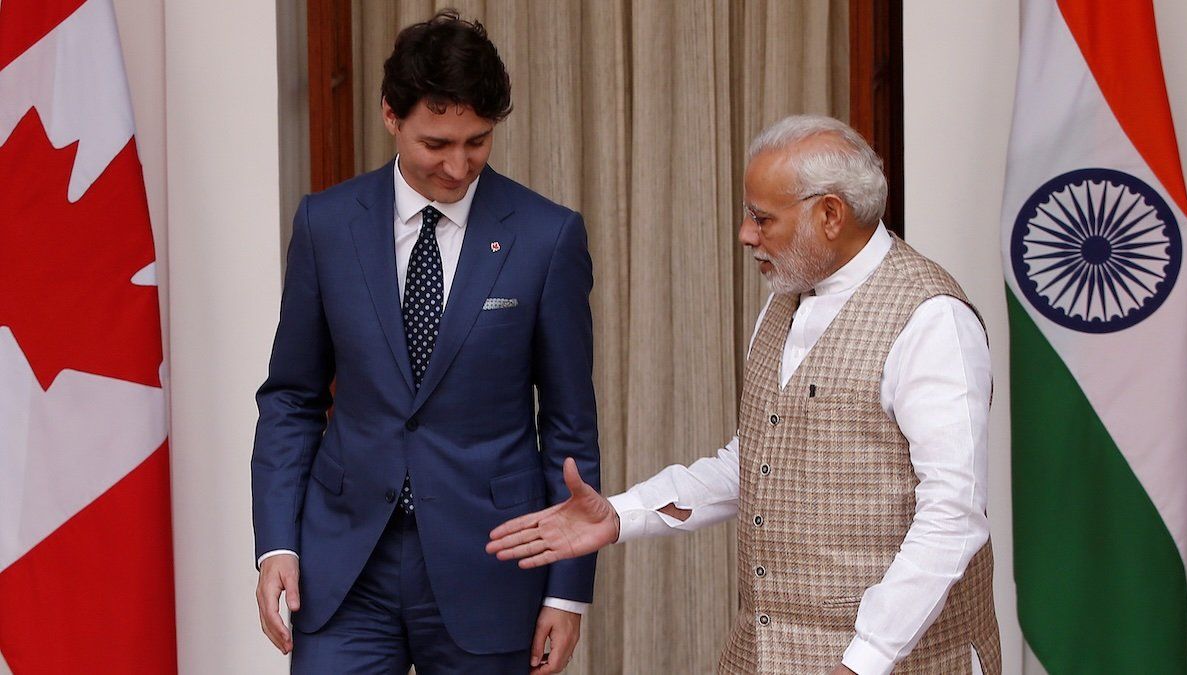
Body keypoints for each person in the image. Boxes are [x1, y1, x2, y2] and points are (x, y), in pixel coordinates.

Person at [488, 115, 1001, 674]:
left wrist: (865, 659)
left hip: (901, 662)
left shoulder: (931, 319)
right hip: (761, 654)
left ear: (829, 214)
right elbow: (758, 462)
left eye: (762, 218)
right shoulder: (784, 300)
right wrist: (620, 515)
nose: (745, 235)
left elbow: (953, 514)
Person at [252, 10, 600, 673]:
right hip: (345, 567)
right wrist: (276, 546)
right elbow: (291, 400)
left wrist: (567, 589)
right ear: (391, 115)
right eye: (437, 143)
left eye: (477, 141)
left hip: (491, 564)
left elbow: (568, 424)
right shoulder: (325, 225)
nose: (458, 164)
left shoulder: (546, 237)